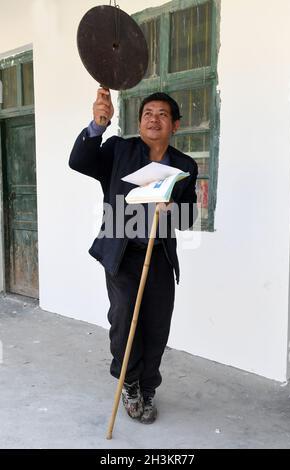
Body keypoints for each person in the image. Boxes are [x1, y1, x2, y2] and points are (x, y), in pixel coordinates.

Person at [69, 88, 198, 424]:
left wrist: (171, 210)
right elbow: (79, 161)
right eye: (147, 114)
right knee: (126, 321)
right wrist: (99, 126)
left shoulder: (184, 165)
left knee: (156, 324)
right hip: (122, 254)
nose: (154, 119)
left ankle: (148, 386)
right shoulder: (119, 150)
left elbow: (188, 217)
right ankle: (129, 382)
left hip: (159, 256)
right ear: (140, 122)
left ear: (175, 125)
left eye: (162, 114)